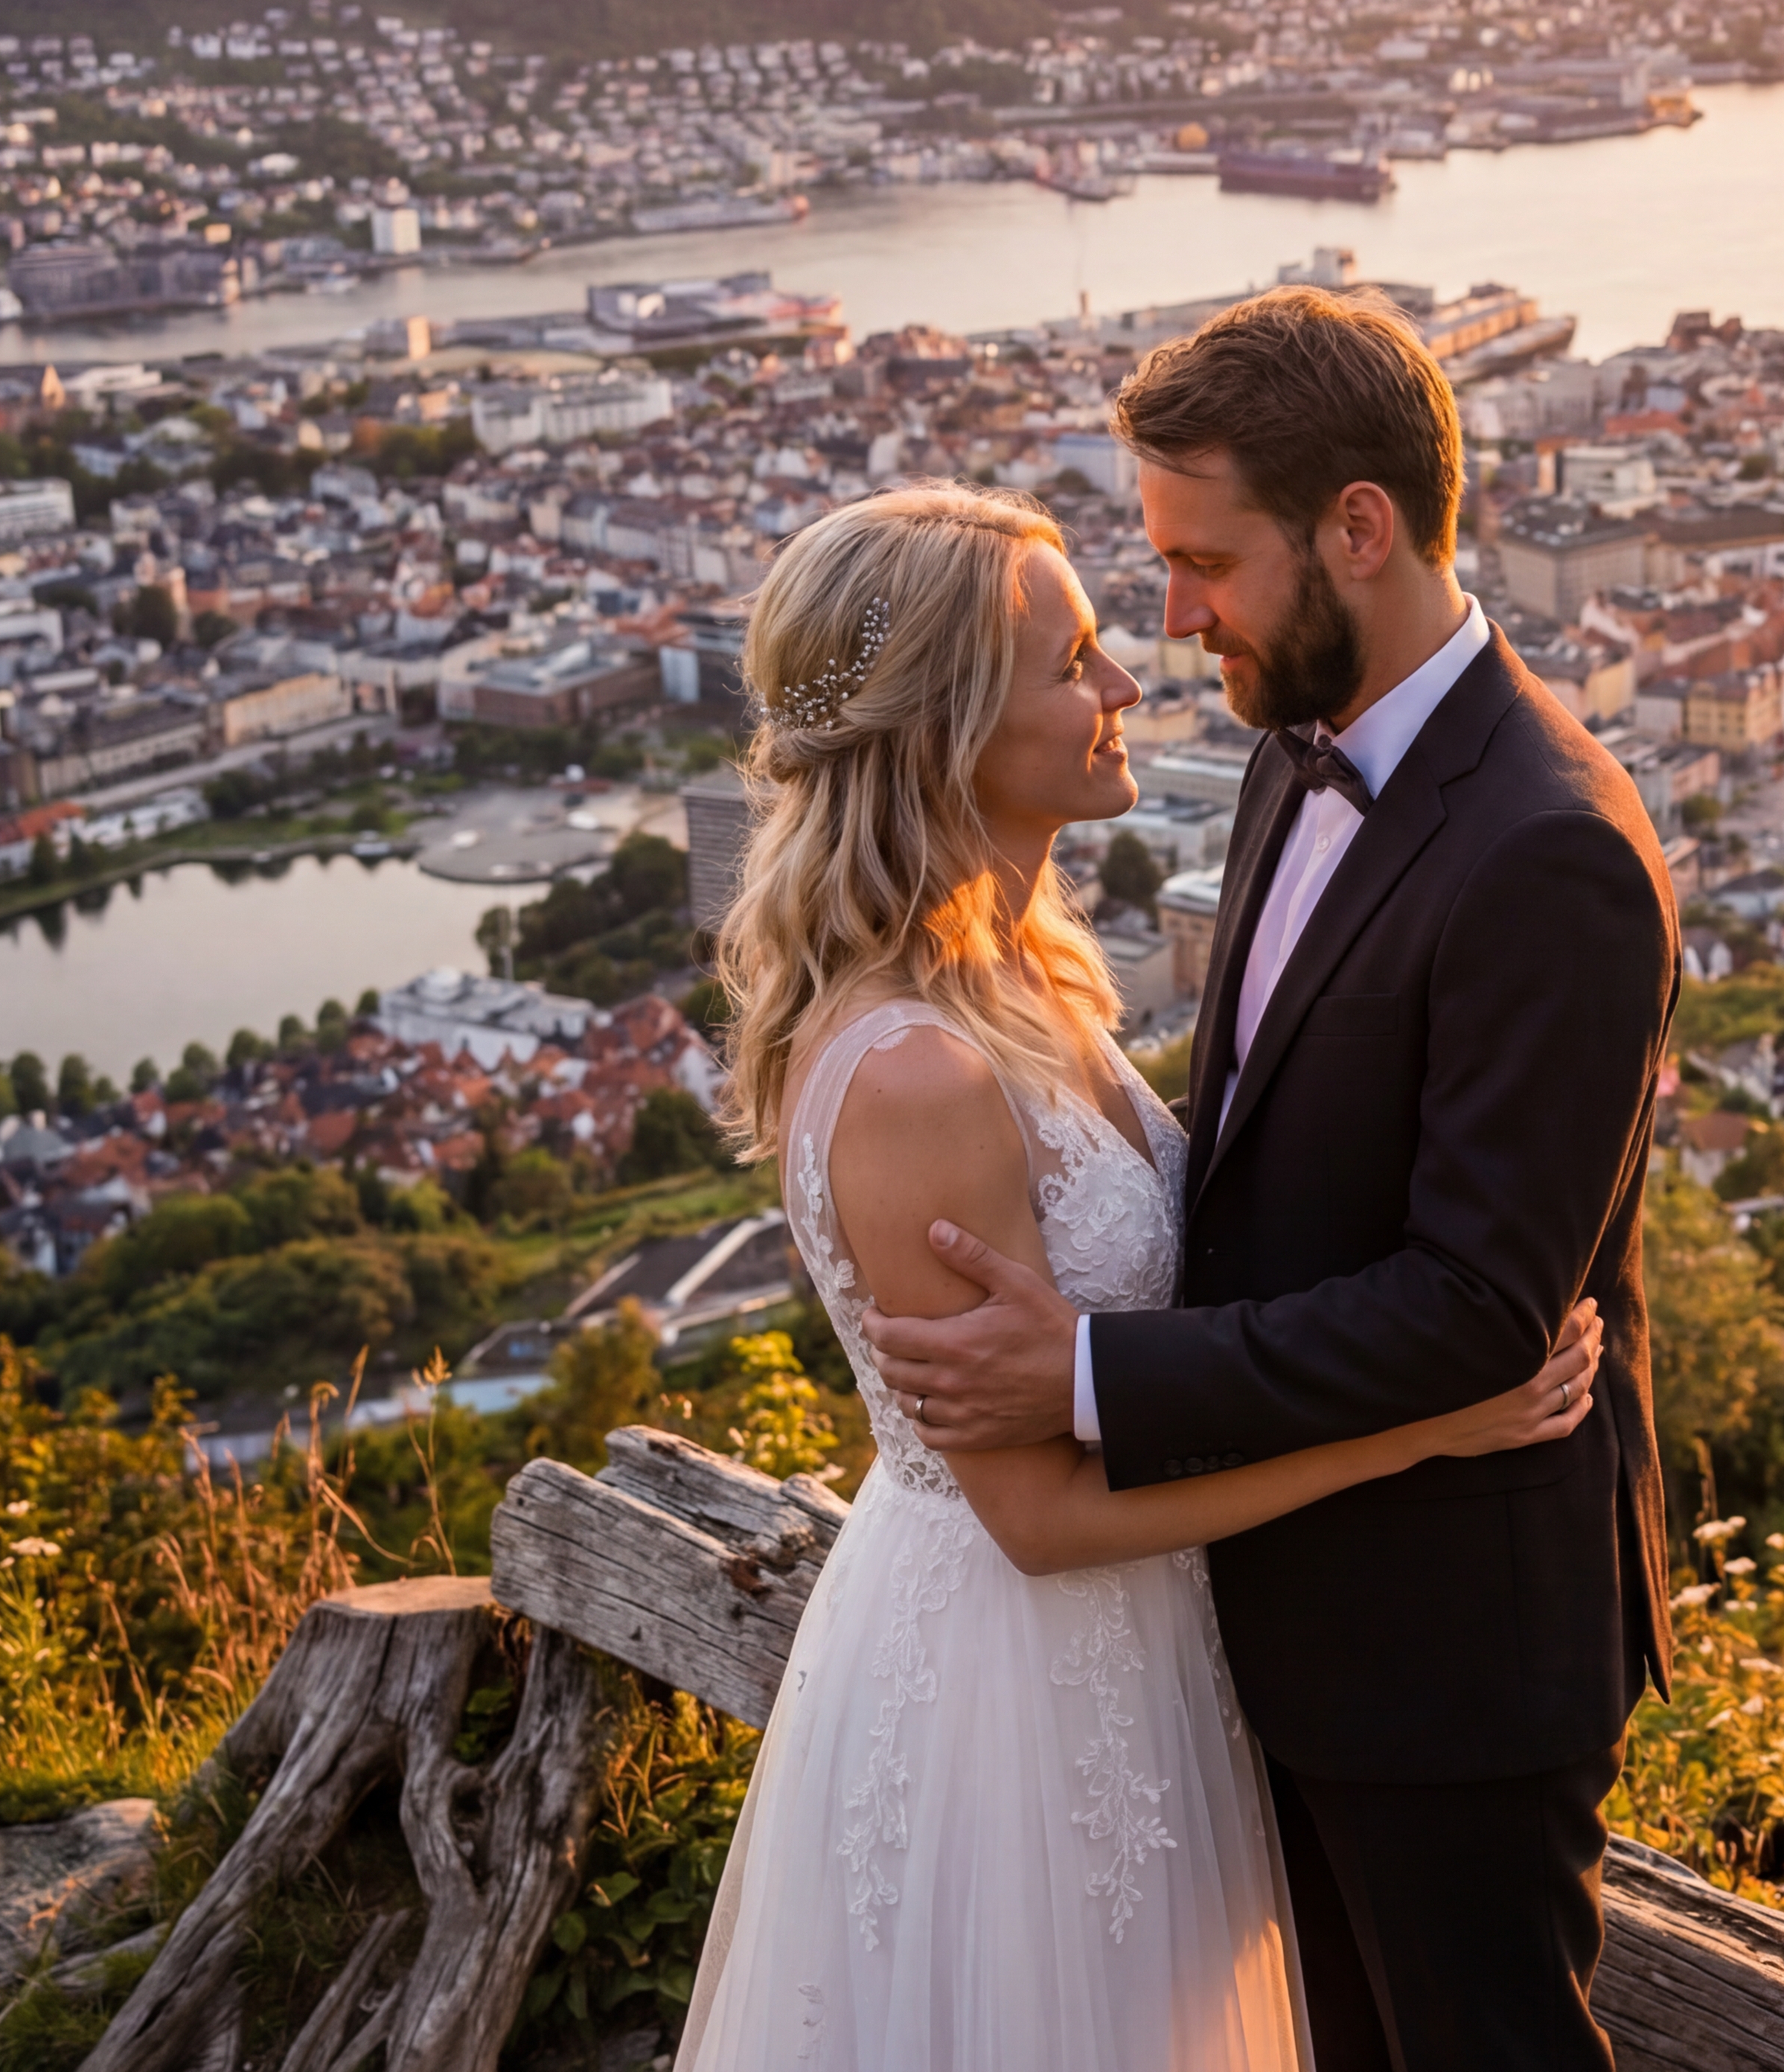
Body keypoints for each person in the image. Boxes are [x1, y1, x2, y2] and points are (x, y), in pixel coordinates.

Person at [677, 482, 1608, 2072]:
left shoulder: (1019, 977)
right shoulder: (915, 1073)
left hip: (1143, 1655)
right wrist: (1424, 1428)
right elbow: (1034, 1516)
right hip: (1016, 1693)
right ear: (950, 727)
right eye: (1073, 661)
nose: (1126, 686)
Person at [871, 289, 1679, 2071]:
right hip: (1271, 1614)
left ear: (1358, 529)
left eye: (1201, 559)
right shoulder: (1288, 747)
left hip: (1449, 1647)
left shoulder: (1547, 848)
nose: (1169, 618)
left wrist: (1079, 1373)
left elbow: (1480, 1306)